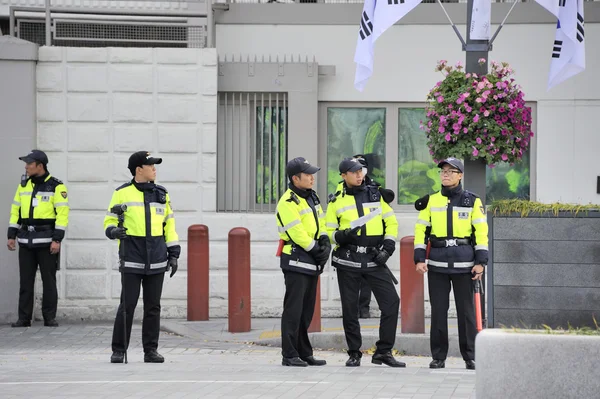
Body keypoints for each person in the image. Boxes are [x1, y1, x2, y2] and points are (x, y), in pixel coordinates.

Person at [326, 157, 404, 368]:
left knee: (391, 303)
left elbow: (391, 221)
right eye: (354, 172)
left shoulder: (375, 194)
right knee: (350, 309)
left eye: (361, 171)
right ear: (344, 175)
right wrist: (341, 236)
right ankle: (354, 353)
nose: (359, 175)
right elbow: (328, 232)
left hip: (374, 259)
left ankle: (384, 351)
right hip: (348, 261)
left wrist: (387, 248)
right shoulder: (336, 201)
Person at [104, 151, 180, 364]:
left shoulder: (162, 194)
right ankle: (118, 350)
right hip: (132, 256)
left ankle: (150, 351)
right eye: (151, 165)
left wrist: (173, 254)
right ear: (139, 170)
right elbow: (109, 220)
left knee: (153, 306)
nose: (155, 169)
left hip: (156, 256)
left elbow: (169, 225)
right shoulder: (121, 193)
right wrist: (112, 232)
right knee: (127, 306)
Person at [413, 157, 488, 371]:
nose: (445, 174)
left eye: (451, 171)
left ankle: (470, 356)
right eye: (443, 171)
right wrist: (419, 258)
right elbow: (421, 231)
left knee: (467, 313)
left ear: (460, 175)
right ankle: (438, 357)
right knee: (438, 312)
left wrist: (481, 262)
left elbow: (481, 233)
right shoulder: (431, 201)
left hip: (465, 265)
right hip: (437, 264)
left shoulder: (472, 201)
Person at [276, 157, 330, 367]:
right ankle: (289, 354)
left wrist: (324, 239)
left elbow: (321, 221)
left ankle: (304, 352)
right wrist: (316, 249)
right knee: (293, 310)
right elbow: (296, 232)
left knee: (306, 311)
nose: (311, 178)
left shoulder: (311, 197)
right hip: (297, 260)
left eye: (312, 174)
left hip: (311, 261)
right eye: (307, 175)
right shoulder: (287, 202)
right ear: (295, 178)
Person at [7, 150, 68, 328]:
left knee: (49, 281)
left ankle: (49, 317)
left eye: (29, 163)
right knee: (25, 281)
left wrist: (57, 239)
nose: (26, 167)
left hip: (47, 241)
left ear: (40, 166)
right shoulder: (23, 185)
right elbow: (15, 211)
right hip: (25, 241)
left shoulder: (57, 186)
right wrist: (12, 235)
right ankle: (24, 318)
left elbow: (62, 215)